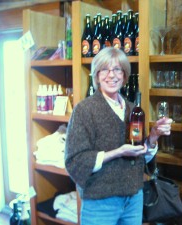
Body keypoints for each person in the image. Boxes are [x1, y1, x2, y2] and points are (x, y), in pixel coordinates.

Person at [65, 47, 173, 225]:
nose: (111, 75)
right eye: (105, 69)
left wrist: (153, 137)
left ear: (124, 75)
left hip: (133, 198)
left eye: (117, 69)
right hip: (101, 202)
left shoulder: (132, 109)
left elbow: (140, 157)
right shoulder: (84, 110)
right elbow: (75, 161)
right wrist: (118, 152)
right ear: (97, 75)